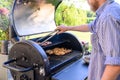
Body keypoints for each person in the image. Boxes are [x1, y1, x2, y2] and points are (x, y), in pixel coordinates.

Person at [56, 0, 120, 80]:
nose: (87, 1)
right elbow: (90, 26)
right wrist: (67, 28)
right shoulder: (108, 12)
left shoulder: (108, 17)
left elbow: (115, 64)